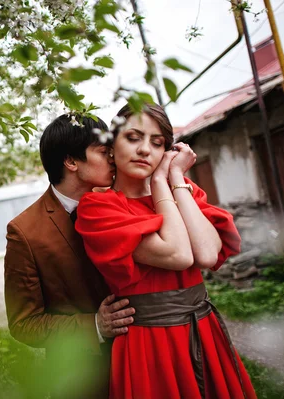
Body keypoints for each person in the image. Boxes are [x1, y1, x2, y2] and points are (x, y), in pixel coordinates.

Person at [75, 103, 257, 399]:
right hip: (150, 341)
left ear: (166, 151)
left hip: (202, 329)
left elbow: (208, 255)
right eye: (133, 138)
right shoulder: (100, 207)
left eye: (157, 142)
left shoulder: (183, 189)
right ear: (111, 146)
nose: (145, 150)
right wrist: (161, 182)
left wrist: (171, 180)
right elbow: (180, 256)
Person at [4, 113, 136, 398]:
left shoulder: (125, 201)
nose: (113, 158)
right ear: (72, 162)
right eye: (103, 152)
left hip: (142, 361)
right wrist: (95, 326)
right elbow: (23, 324)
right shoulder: (25, 232)